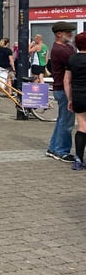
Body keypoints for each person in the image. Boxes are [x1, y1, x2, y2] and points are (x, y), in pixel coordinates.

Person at [47, 21, 77, 163]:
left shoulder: (66, 48)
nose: (71, 34)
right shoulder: (61, 50)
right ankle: (61, 151)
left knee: (61, 120)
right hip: (65, 88)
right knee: (67, 122)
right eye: (68, 32)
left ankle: (53, 148)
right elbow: (75, 66)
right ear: (59, 34)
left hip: (60, 88)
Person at [64, 31, 86, 171]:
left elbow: (67, 80)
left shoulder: (72, 59)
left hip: (79, 96)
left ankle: (78, 160)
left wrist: (69, 99)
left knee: (82, 126)